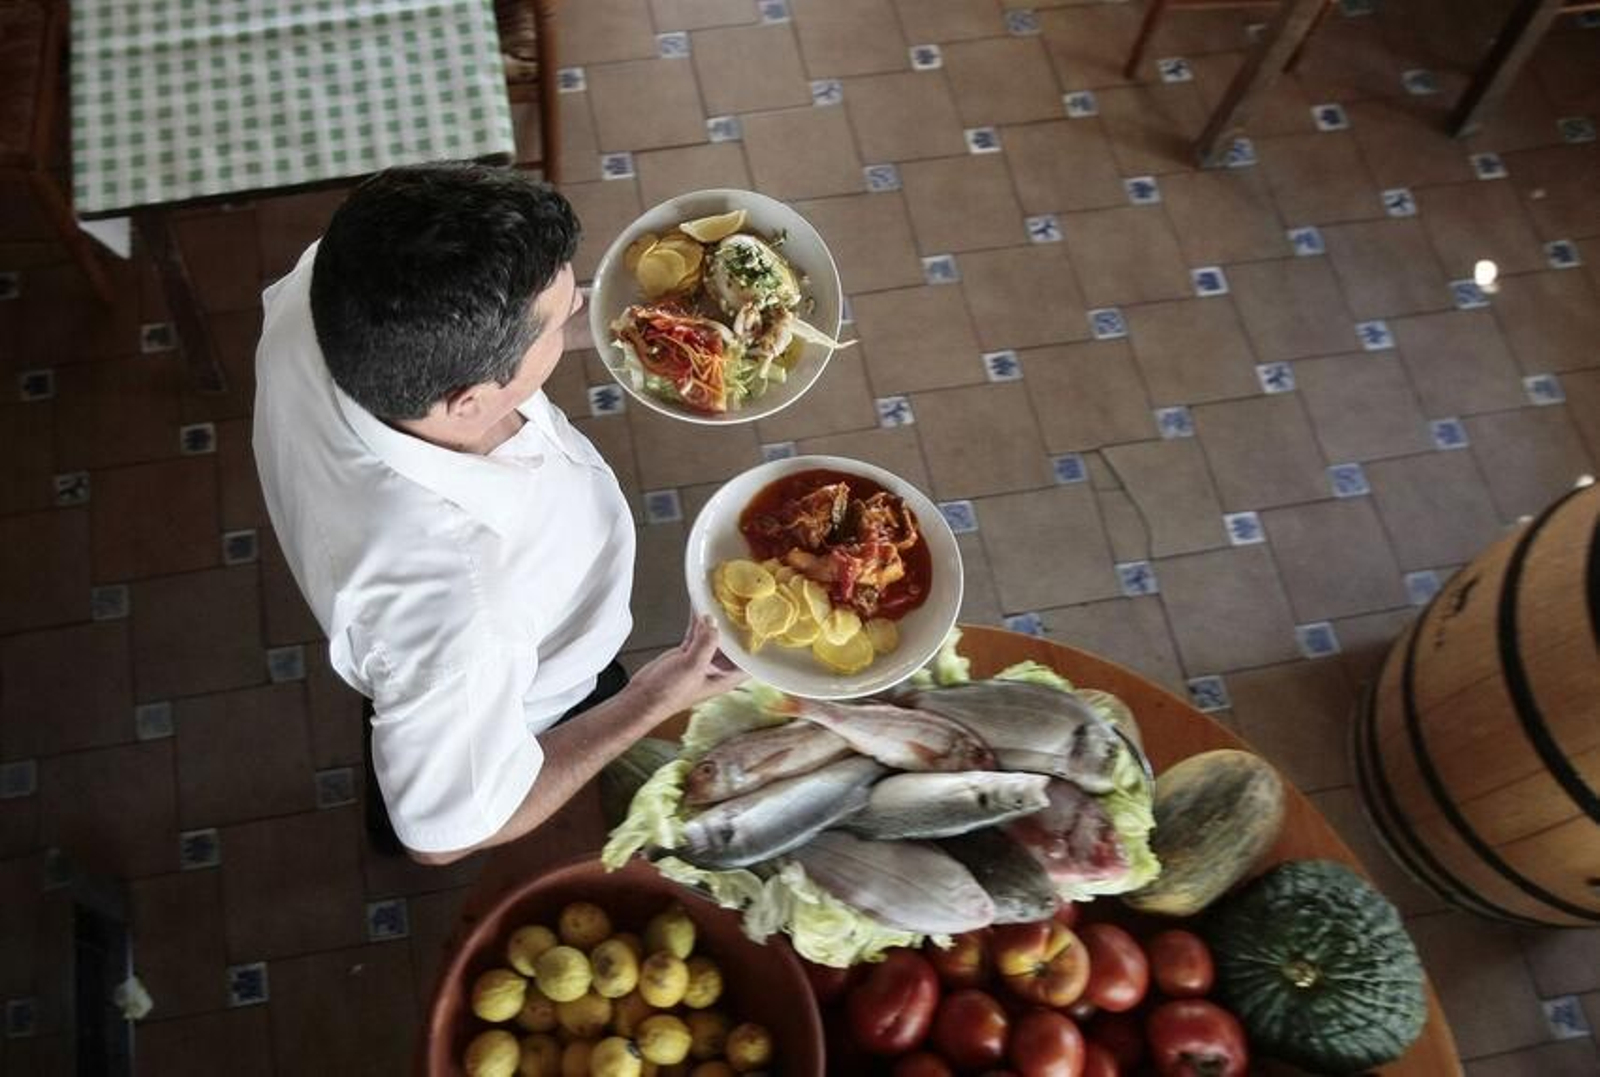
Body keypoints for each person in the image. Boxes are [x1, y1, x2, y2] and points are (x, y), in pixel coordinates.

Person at [252, 162, 744, 865]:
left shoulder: (335, 285)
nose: (584, 313)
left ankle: (413, 754)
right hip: (531, 685)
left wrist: (652, 325)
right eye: (564, 317)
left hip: (408, 645)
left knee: (411, 719)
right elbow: (444, 839)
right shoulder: (459, 615)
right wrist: (655, 695)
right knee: (438, 780)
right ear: (470, 401)